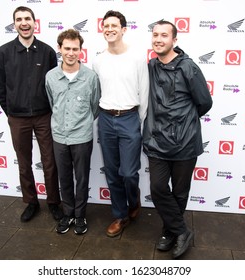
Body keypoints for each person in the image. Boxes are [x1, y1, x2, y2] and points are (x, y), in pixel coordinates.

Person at [142, 20, 213, 259]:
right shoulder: (150, 66)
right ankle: (182, 230)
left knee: (180, 193)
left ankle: (169, 232)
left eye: (164, 35)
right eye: (155, 35)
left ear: (175, 39)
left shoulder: (188, 67)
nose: (158, 39)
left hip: (185, 143)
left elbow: (204, 102)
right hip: (156, 141)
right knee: (159, 188)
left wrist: (184, 124)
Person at [0, 6, 63, 223]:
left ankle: (53, 202)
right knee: (24, 162)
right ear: (14, 24)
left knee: (50, 161)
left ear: (35, 22)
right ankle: (31, 202)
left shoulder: (47, 51)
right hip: (17, 117)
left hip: (44, 116)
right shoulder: (3, 52)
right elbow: (0, 87)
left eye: (27, 19)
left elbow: (54, 85)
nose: (24, 23)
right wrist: (11, 111)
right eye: (19, 19)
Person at [92, 10, 149, 237]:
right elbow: (96, 92)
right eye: (106, 25)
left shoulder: (137, 58)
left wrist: (138, 121)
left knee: (128, 173)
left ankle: (134, 201)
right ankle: (120, 215)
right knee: (113, 173)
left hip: (129, 118)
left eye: (114, 25)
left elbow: (144, 93)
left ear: (123, 30)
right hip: (105, 119)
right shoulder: (98, 60)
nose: (109, 29)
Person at [45, 29, 101, 235]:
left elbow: (94, 106)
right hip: (59, 136)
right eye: (66, 48)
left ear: (80, 50)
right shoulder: (51, 77)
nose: (70, 53)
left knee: (82, 177)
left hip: (82, 137)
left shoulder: (90, 77)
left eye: (75, 49)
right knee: (65, 177)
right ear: (59, 49)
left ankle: (80, 215)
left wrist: (81, 123)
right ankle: (67, 214)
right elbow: (53, 104)